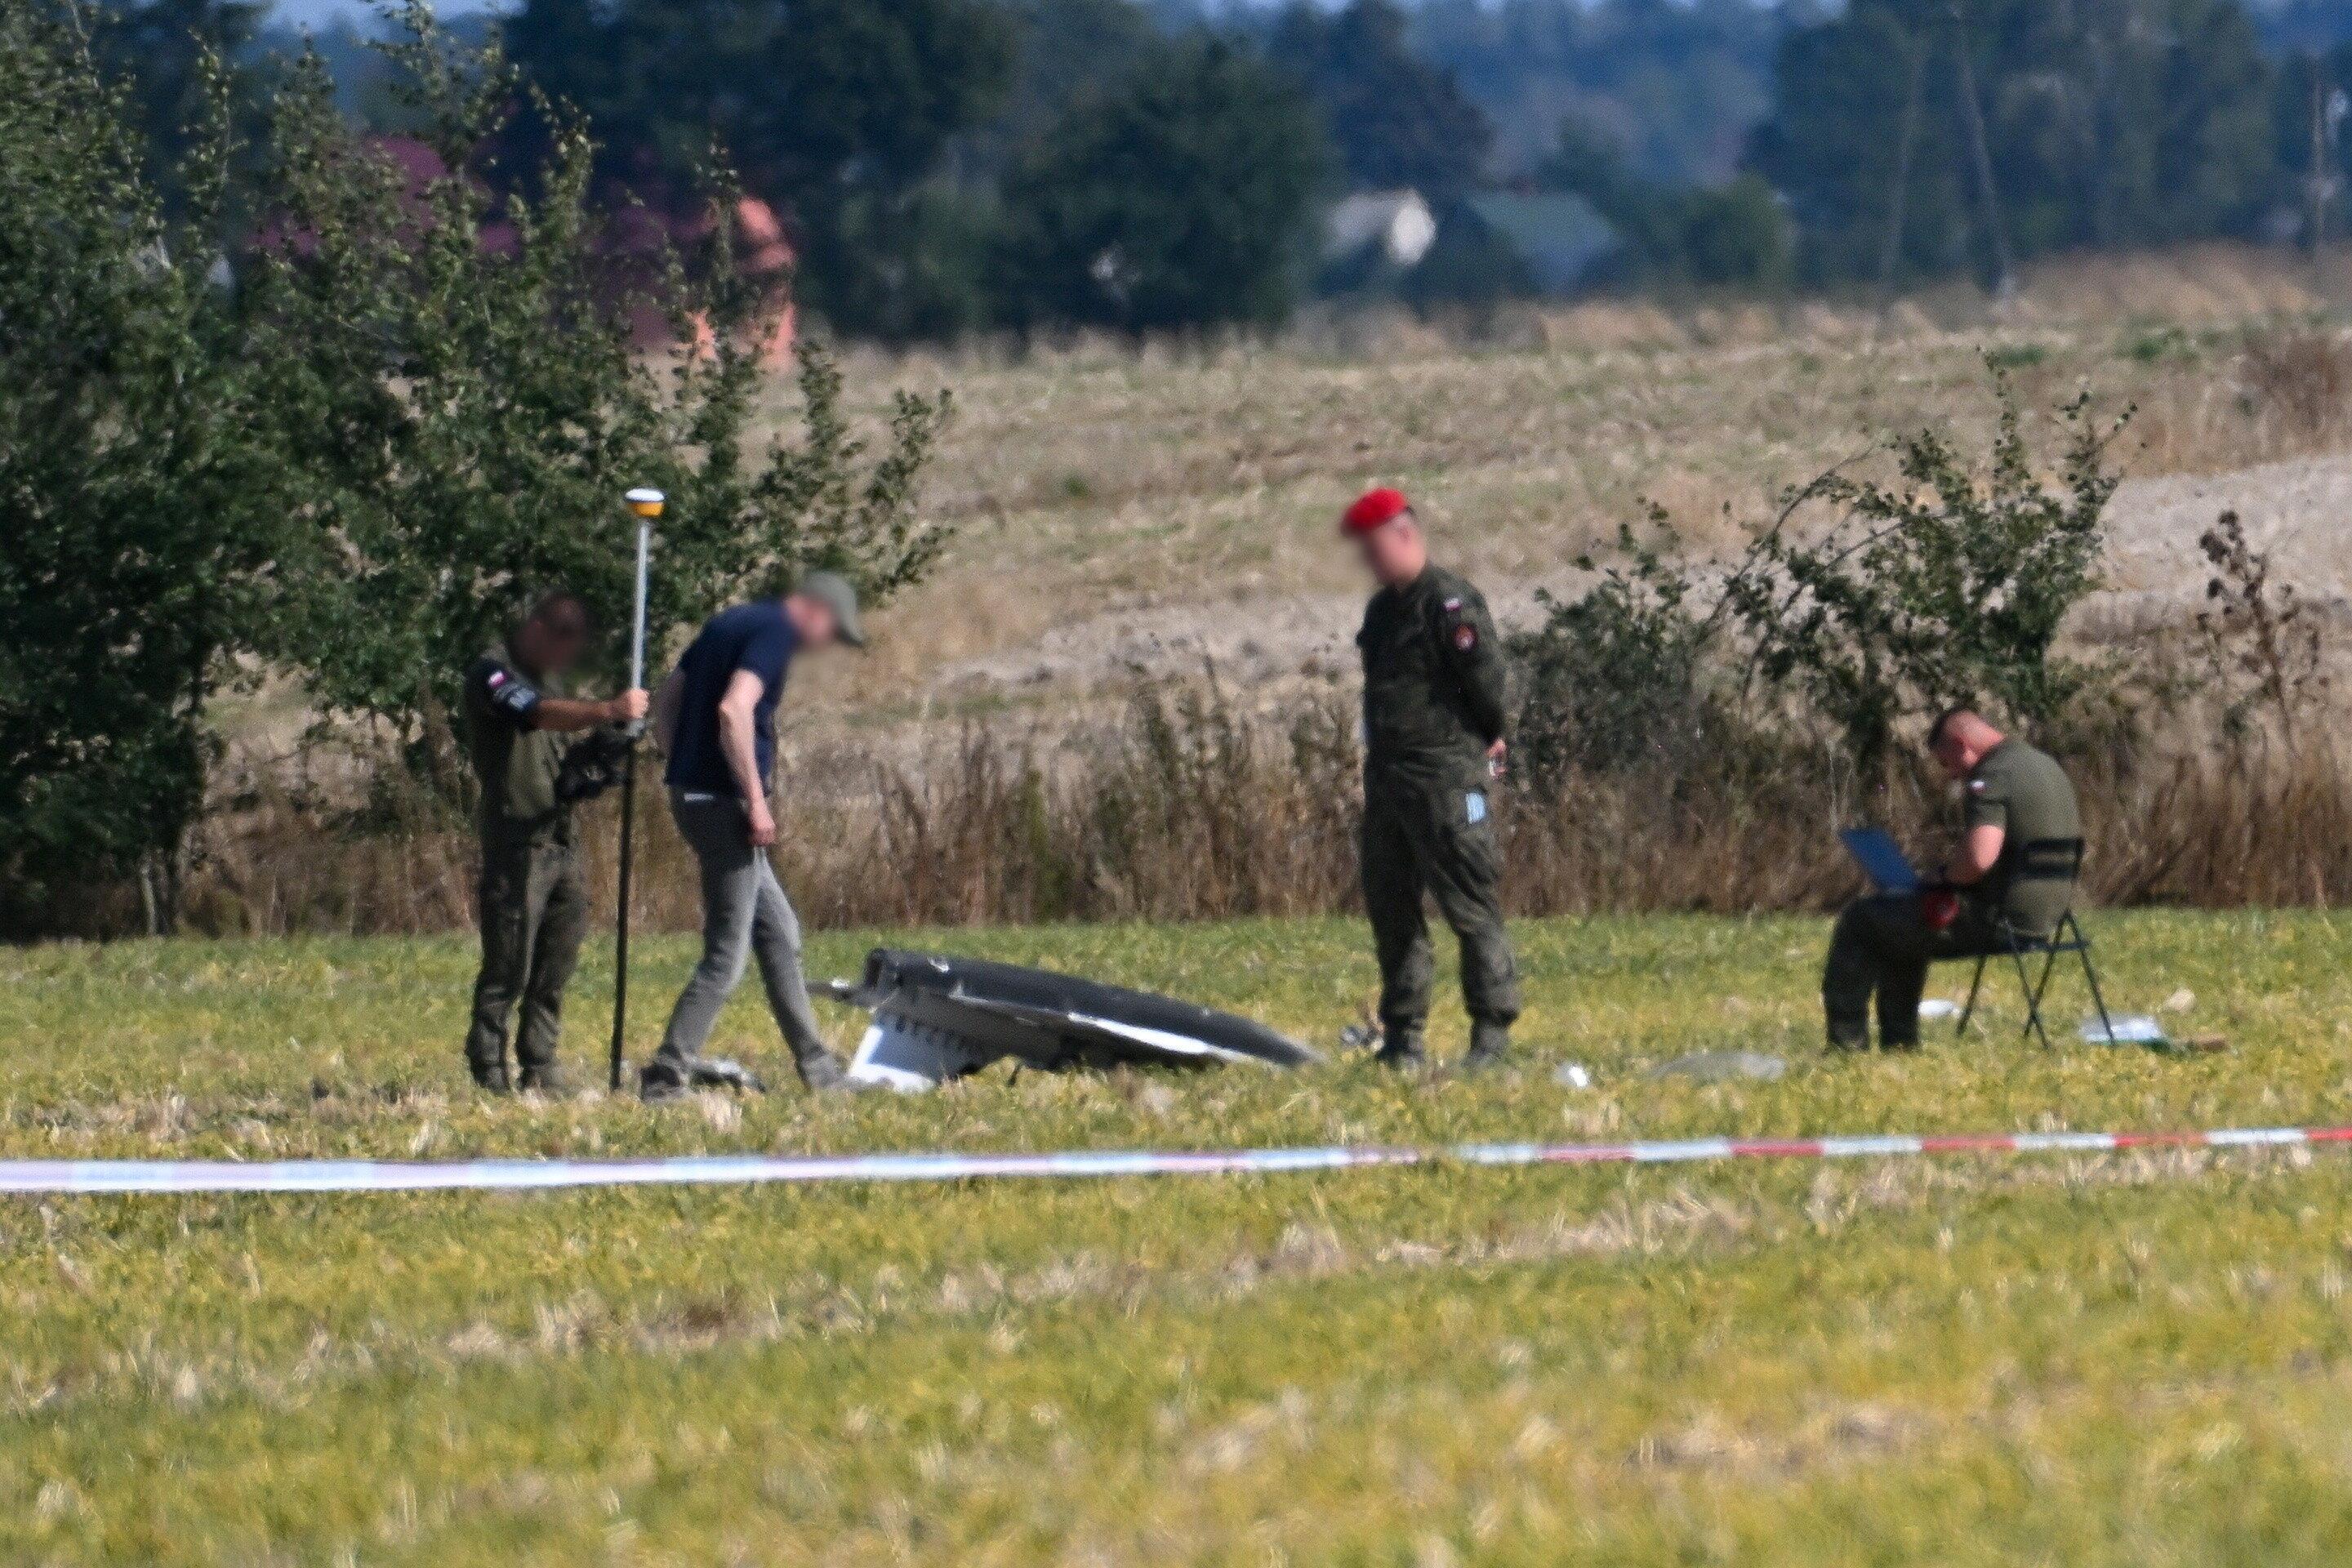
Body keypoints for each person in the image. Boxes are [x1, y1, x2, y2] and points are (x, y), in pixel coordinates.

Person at [641, 572, 866, 1101]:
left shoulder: (731, 622)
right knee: (728, 951)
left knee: (781, 933)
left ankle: (820, 1071)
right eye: (831, 633)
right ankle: (666, 1074)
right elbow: (733, 709)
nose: (823, 646)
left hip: (697, 798)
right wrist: (757, 802)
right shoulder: (773, 634)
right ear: (816, 613)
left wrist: (681, 765)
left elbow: (664, 705)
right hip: (727, 807)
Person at [1344, 488, 1521, 1073]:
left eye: (1373, 550)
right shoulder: (1382, 613)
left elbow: (1489, 685)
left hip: (1446, 779)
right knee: (1392, 909)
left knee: (1470, 908)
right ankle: (1403, 1040)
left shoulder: (1449, 604)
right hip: (1391, 782)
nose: (1367, 564)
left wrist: (1486, 736)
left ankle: (1491, 1037)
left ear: (1404, 536)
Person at [461, 592, 649, 1093]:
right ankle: (489, 1070)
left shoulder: (554, 683)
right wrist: (606, 708)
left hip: (561, 837)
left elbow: (562, 756)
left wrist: (606, 750)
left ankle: (540, 1065)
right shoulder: (493, 674)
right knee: (509, 964)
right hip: (517, 841)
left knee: (557, 960)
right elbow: (534, 715)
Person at [1823, 706, 2084, 1051]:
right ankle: (1899, 1044)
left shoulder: (1992, 777)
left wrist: (1941, 876)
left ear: (1963, 745)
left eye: (1948, 765)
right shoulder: (2044, 766)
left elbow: (1979, 859)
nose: (1952, 777)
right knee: (1902, 925)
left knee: (1862, 920)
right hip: (2050, 916)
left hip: (2000, 920)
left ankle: (1848, 1045)